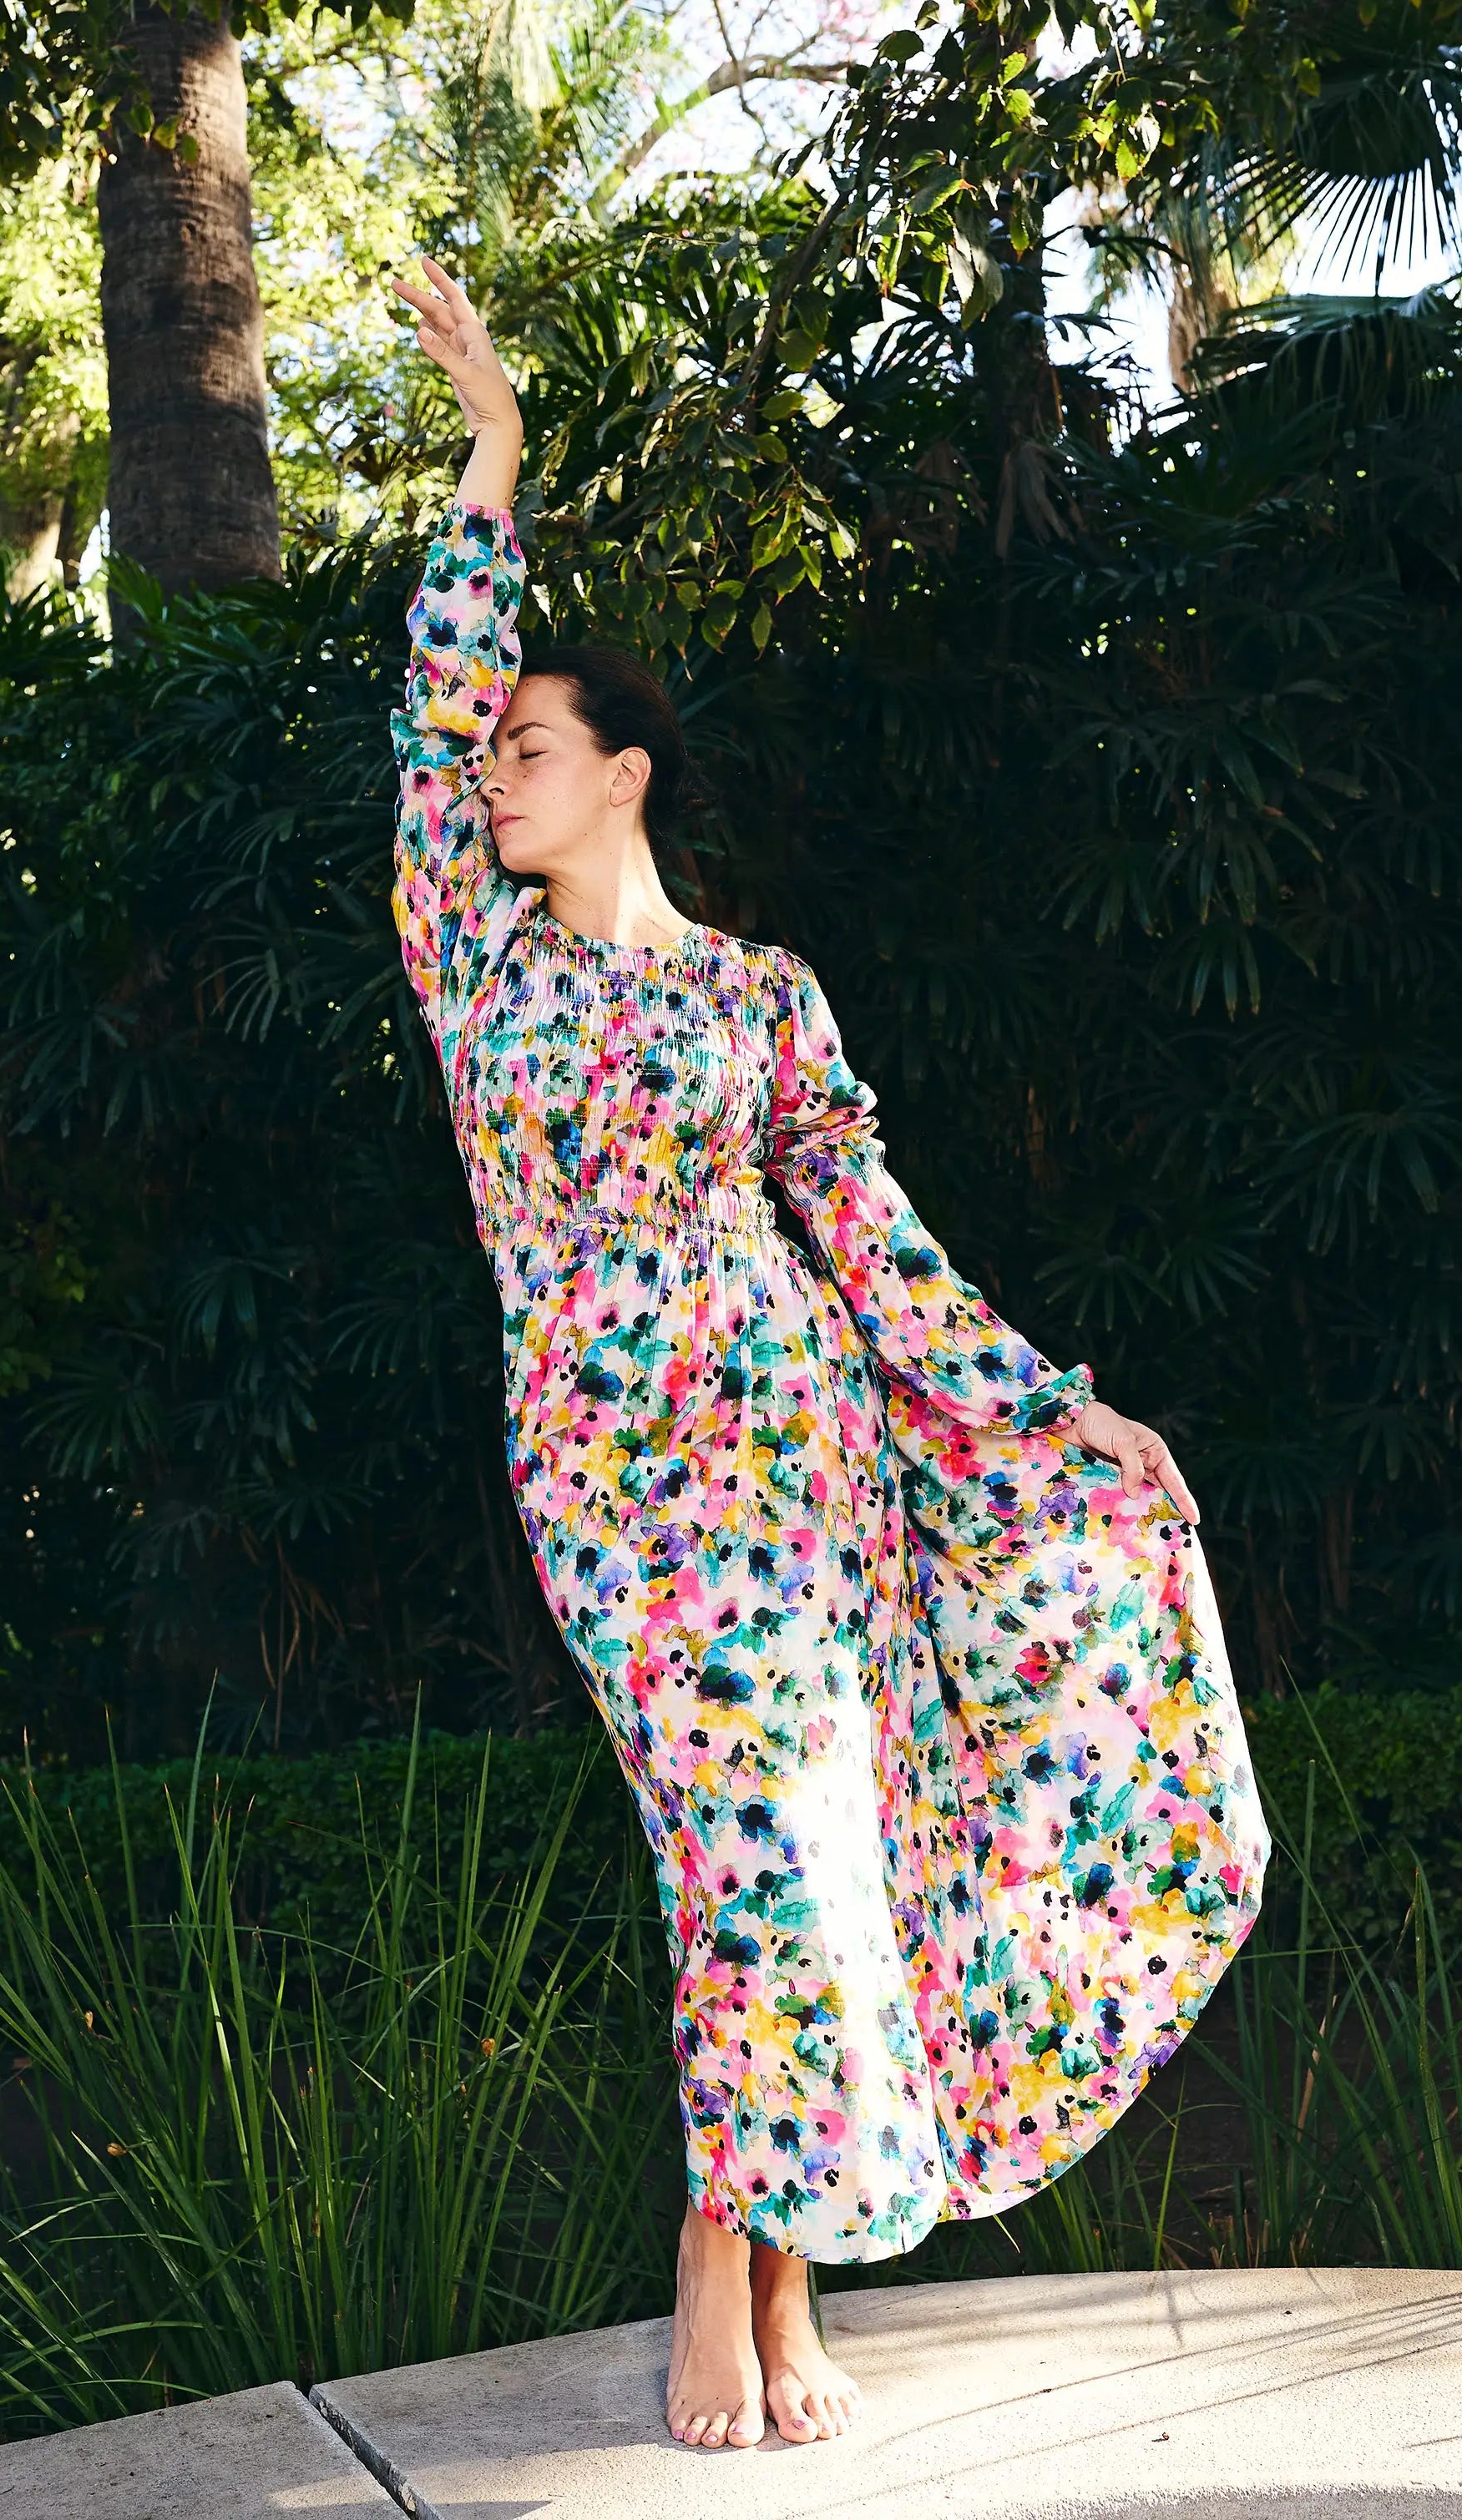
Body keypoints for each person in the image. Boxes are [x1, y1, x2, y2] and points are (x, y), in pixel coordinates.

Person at [387, 254, 1268, 2453]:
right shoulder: (475, 965)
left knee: (812, 1836)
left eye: (531, 748)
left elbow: (872, 1244)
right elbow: (425, 722)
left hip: (802, 1448)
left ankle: (764, 2274)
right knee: (743, 1832)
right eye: (491, 750)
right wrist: (494, 459)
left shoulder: (761, 996)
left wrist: (1063, 1417)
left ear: (628, 775)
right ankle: (734, 2255)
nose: (495, 773)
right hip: (611, 1473)